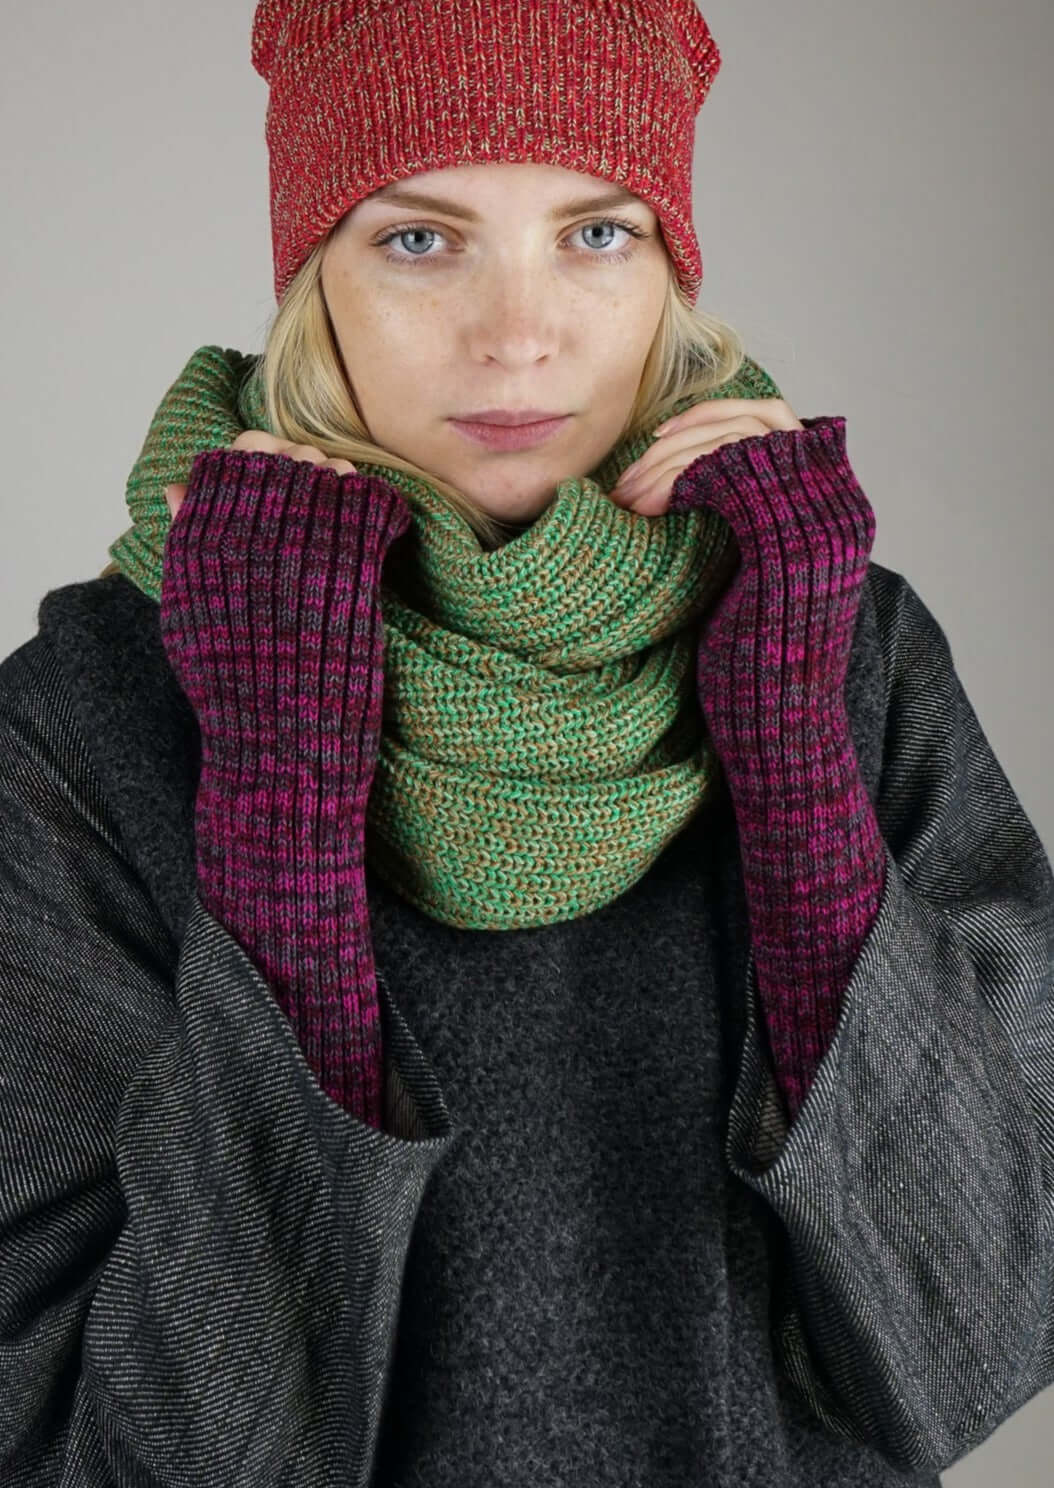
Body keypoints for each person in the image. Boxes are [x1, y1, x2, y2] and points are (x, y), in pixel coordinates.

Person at [2, 1, 1052, 1484]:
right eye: (419, 240)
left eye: (597, 233)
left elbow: (983, 1337)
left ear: (671, 275)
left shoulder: (838, 641)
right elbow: (90, 1451)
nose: (516, 333)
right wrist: (280, 790)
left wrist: (793, 750)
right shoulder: (89, 713)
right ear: (312, 281)